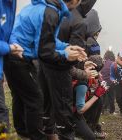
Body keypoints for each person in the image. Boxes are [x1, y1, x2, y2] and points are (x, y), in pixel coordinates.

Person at [36, 0, 88, 139]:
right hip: (59, 70)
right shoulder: (78, 21)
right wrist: (81, 69)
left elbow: (47, 41)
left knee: (45, 112)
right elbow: (73, 57)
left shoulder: (48, 11)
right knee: (63, 118)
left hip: (41, 65)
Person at [0, 0, 23, 133]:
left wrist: (14, 43)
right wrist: (8, 48)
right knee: (0, 111)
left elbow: (9, 28)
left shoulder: (11, 3)